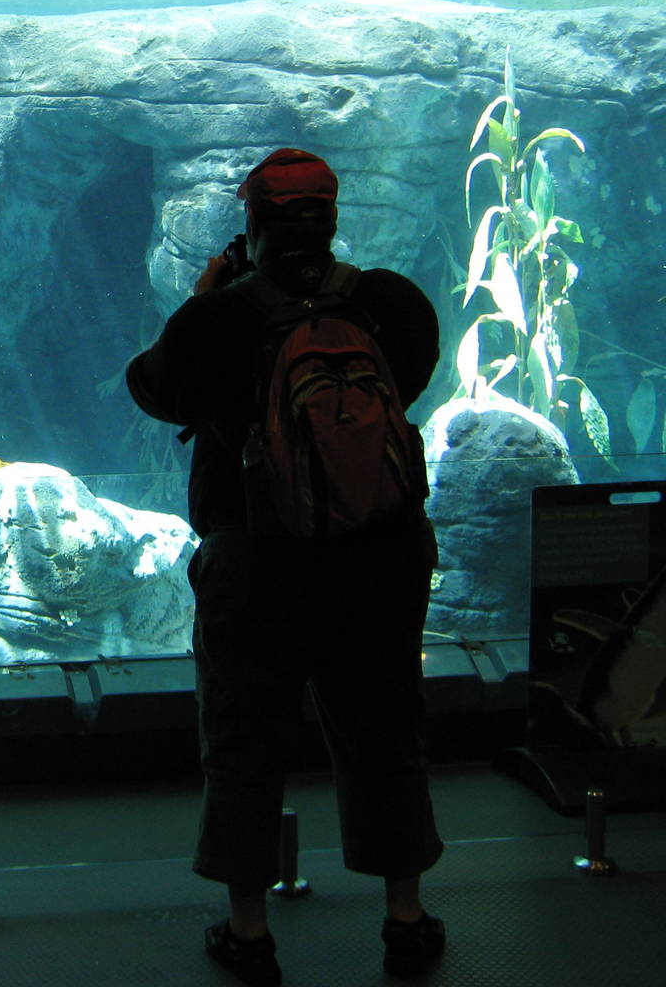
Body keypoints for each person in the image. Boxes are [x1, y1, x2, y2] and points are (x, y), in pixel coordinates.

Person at [125, 149, 446, 985]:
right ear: (332, 221)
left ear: (253, 226)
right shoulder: (389, 305)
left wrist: (203, 302)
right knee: (387, 729)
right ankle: (405, 920)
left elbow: (154, 389)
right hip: (379, 559)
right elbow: (407, 387)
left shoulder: (223, 320)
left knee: (243, 737)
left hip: (260, 564)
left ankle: (250, 934)